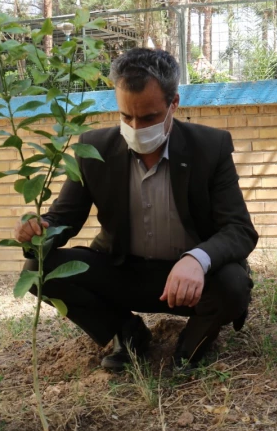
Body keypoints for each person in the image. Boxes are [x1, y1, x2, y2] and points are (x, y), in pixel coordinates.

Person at [13, 48, 258, 371]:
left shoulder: (210, 148)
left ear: (174, 104)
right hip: (122, 272)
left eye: (149, 117)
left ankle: (190, 347)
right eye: (126, 116)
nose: (136, 127)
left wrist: (196, 259)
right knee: (37, 268)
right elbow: (63, 220)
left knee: (233, 285)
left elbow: (239, 230)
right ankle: (126, 334)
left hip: (191, 282)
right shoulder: (93, 149)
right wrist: (35, 230)